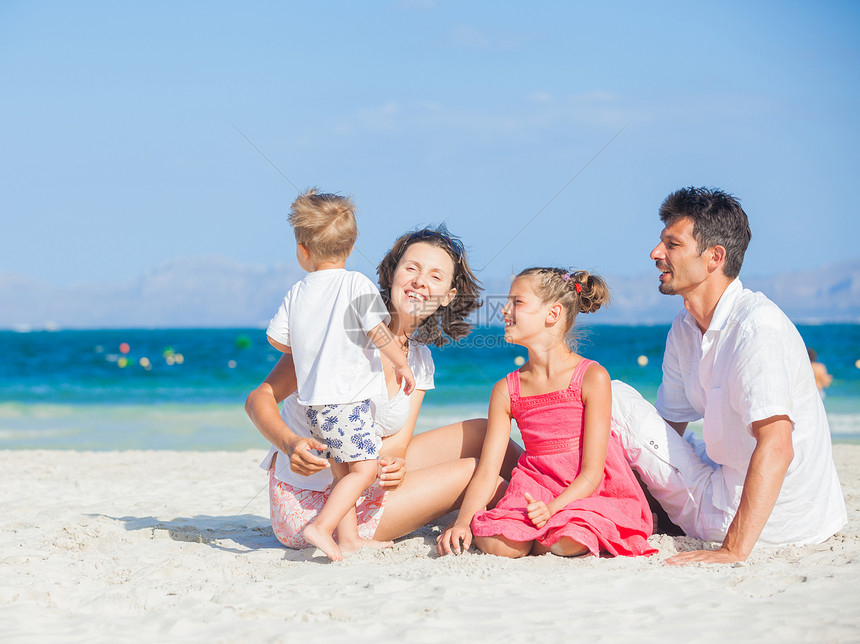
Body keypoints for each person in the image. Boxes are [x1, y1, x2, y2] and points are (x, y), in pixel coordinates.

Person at [246, 226, 522, 557]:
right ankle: (538, 509)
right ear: (392, 274)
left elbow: (400, 442)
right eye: (411, 268)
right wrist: (288, 443)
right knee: (476, 472)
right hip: (314, 503)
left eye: (435, 276)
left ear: (448, 295)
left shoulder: (420, 359)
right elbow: (258, 398)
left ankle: (554, 486)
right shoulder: (340, 331)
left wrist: (396, 462)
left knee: (486, 432)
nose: (420, 281)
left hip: (363, 474)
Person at [610, 187, 846, 565]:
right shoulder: (686, 326)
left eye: (672, 245)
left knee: (611, 396)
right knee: (670, 441)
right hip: (740, 484)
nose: (656, 254)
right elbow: (668, 429)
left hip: (768, 521)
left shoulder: (755, 328)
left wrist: (733, 551)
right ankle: (622, 505)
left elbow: (778, 445)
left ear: (714, 258)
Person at [436, 268, 655, 558]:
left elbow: (592, 473)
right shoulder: (506, 389)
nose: (504, 310)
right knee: (501, 544)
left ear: (552, 314)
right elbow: (489, 471)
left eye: (517, 302)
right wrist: (463, 522)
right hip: (534, 487)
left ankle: (553, 528)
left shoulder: (592, 376)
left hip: (586, 491)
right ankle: (530, 530)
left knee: (565, 540)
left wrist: (553, 509)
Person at [265, 188, 416, 561]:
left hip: (316, 407)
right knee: (363, 471)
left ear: (303, 250)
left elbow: (276, 340)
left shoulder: (297, 292)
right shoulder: (356, 284)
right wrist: (401, 363)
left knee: (341, 473)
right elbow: (379, 334)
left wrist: (312, 346)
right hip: (347, 404)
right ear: (349, 248)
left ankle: (349, 538)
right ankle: (321, 527)